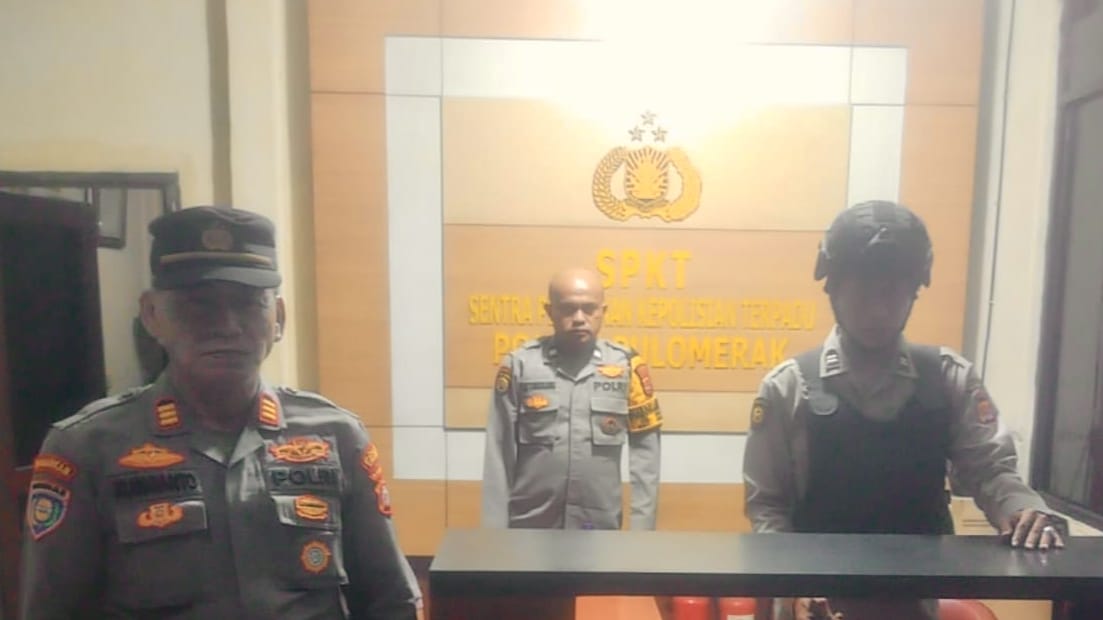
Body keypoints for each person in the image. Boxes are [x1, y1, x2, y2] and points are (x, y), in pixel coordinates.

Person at [20, 206, 419, 619]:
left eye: (248, 304)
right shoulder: (86, 447)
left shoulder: (336, 436)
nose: (227, 325)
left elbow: (392, 600)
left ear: (278, 319)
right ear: (152, 315)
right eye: (199, 305)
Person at [743, 201, 1066, 620]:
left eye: (892, 294)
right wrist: (795, 589)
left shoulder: (948, 378)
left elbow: (991, 472)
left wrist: (1023, 511)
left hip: (912, 602)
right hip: (811, 602)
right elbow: (768, 507)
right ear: (833, 288)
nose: (878, 310)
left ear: (914, 292)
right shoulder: (788, 387)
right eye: (863, 293)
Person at [482, 267, 662, 530]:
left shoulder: (627, 367)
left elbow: (647, 456)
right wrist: (494, 535)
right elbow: (498, 453)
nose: (579, 318)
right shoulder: (520, 365)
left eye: (589, 309)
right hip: (531, 526)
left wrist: (642, 531)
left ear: (603, 311)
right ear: (549, 311)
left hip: (599, 528)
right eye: (568, 309)